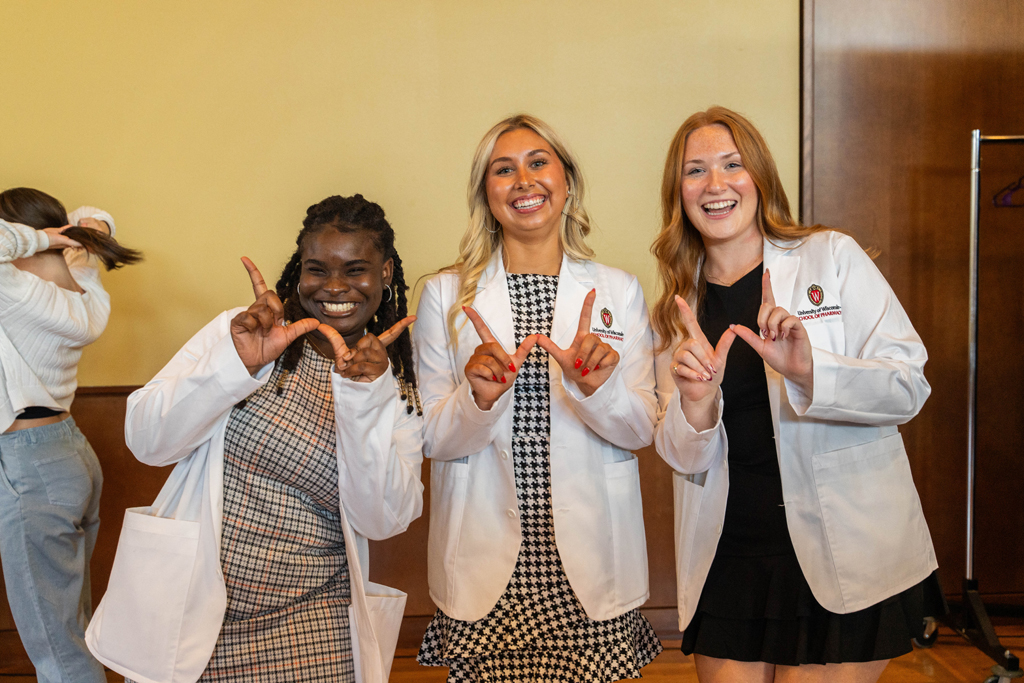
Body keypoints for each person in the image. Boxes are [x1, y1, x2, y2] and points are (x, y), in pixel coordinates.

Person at [650, 106, 943, 682]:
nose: (715, 185)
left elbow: (909, 384)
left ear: (759, 176)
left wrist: (812, 373)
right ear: (677, 192)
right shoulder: (673, 308)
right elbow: (684, 458)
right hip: (729, 556)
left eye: (733, 165)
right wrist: (696, 405)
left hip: (842, 546)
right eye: (695, 170)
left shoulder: (831, 257)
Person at [107, 195, 423, 682]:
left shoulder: (397, 386)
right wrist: (236, 365)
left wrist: (364, 398)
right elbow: (147, 441)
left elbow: (380, 520)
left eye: (355, 269)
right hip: (192, 613)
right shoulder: (244, 332)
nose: (335, 287)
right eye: (317, 269)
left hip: (315, 624)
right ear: (299, 272)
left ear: (385, 274)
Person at [414, 114, 663, 682]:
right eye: (504, 170)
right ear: (486, 193)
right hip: (485, 553)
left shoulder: (618, 290)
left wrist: (598, 391)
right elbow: (433, 437)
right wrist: (478, 399)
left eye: (538, 163)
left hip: (590, 555)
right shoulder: (445, 295)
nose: (523, 180)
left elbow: (641, 429)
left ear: (566, 181)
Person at [0, 187, 139, 683]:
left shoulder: (12, 289)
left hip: (29, 464)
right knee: (71, 629)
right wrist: (79, 234)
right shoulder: (84, 285)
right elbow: (94, 216)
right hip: (71, 453)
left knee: (56, 648)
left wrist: (37, 239)